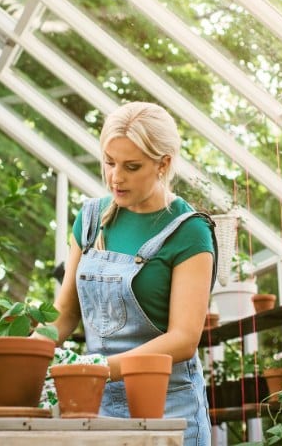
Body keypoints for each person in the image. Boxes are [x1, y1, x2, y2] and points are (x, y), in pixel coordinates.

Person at [51, 101, 215, 446]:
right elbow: (65, 314)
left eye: (131, 166)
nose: (115, 177)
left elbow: (184, 339)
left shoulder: (189, 232)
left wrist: (94, 370)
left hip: (169, 411)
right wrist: (28, 351)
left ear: (163, 164)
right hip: (96, 406)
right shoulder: (91, 220)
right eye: (109, 162)